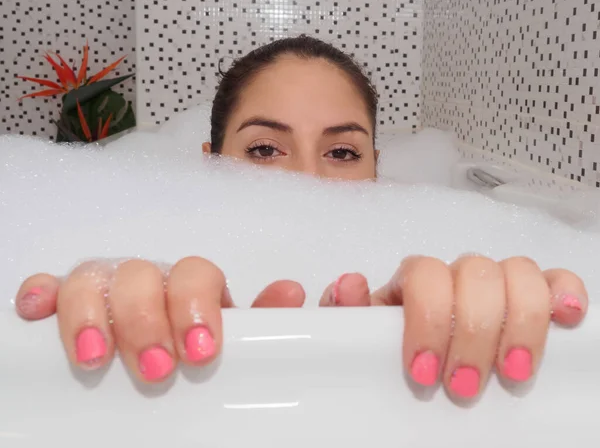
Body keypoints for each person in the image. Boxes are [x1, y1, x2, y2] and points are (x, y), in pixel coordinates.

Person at [14, 35, 587, 400]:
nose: (306, 181)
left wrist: (503, 299)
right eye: (264, 149)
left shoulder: (438, 237)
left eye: (342, 152)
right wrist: (127, 301)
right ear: (207, 165)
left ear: (377, 169)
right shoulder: (147, 225)